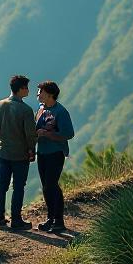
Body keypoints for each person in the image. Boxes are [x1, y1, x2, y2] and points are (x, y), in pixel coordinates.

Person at [0, 76, 37, 231]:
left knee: (1, 185)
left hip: (3, 152)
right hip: (20, 155)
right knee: (18, 187)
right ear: (21, 89)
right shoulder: (26, 110)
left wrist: (4, 140)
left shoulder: (0, 104)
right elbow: (30, 134)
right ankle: (16, 220)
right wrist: (31, 150)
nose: (28, 91)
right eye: (26, 88)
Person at [34, 81, 75, 234]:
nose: (38, 94)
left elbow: (69, 133)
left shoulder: (60, 111)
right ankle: (51, 218)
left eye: (41, 92)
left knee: (51, 185)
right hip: (42, 152)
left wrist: (47, 134)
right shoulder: (41, 109)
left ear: (50, 94)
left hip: (56, 153)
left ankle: (59, 221)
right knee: (46, 186)